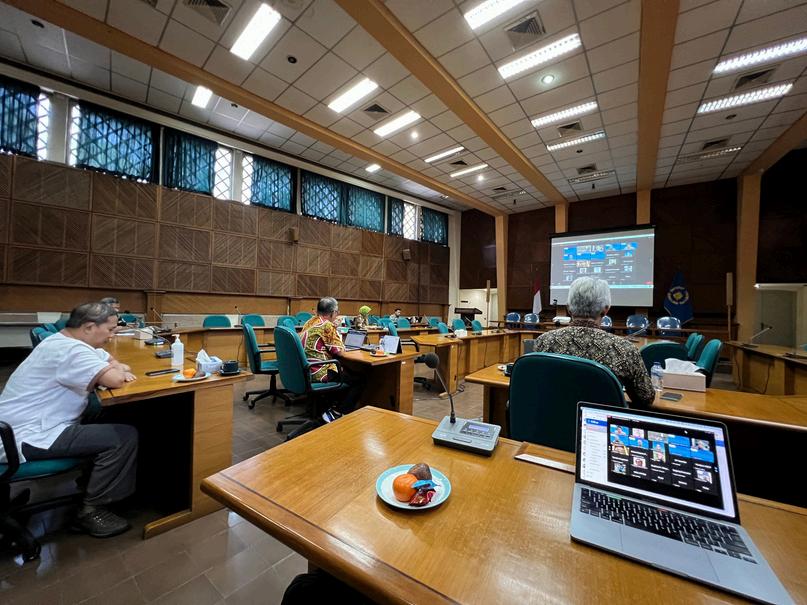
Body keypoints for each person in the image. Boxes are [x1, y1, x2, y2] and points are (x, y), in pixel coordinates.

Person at [0, 302, 139, 537]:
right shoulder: (71, 351)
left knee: (107, 413)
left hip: (26, 426)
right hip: (29, 435)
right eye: (110, 330)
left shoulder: (64, 341)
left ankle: (93, 483)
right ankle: (91, 510)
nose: (112, 336)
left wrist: (115, 368)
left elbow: (111, 360)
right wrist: (117, 371)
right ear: (89, 327)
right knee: (123, 437)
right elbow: (115, 379)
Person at [531, 276, 655, 409]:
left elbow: (536, 386)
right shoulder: (625, 350)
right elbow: (646, 398)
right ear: (606, 309)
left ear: (568, 308)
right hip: (600, 420)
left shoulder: (544, 342)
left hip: (552, 418)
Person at [300, 297, 365, 417]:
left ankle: (329, 404)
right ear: (333, 312)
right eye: (337, 312)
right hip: (319, 371)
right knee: (358, 379)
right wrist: (335, 330)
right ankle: (339, 412)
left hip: (306, 369)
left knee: (347, 371)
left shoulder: (310, 322)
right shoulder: (327, 326)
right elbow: (339, 352)